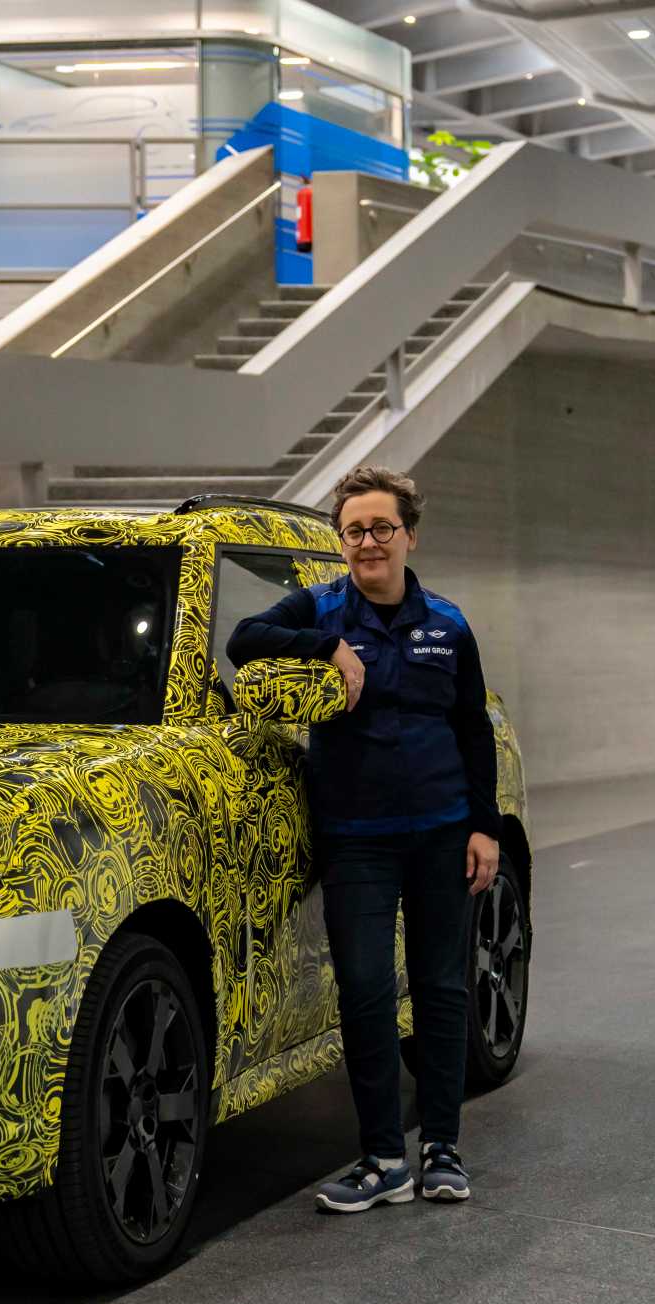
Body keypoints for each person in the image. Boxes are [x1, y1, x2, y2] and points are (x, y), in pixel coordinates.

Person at [227, 464, 500, 1212]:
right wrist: (326, 648)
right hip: (357, 840)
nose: (368, 542)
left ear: (410, 536)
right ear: (341, 540)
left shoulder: (448, 624)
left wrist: (483, 825)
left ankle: (442, 1148)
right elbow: (246, 639)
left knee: (441, 989)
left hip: (442, 831)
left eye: (382, 528)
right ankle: (383, 1158)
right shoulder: (319, 608)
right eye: (354, 531)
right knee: (367, 992)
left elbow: (471, 727)